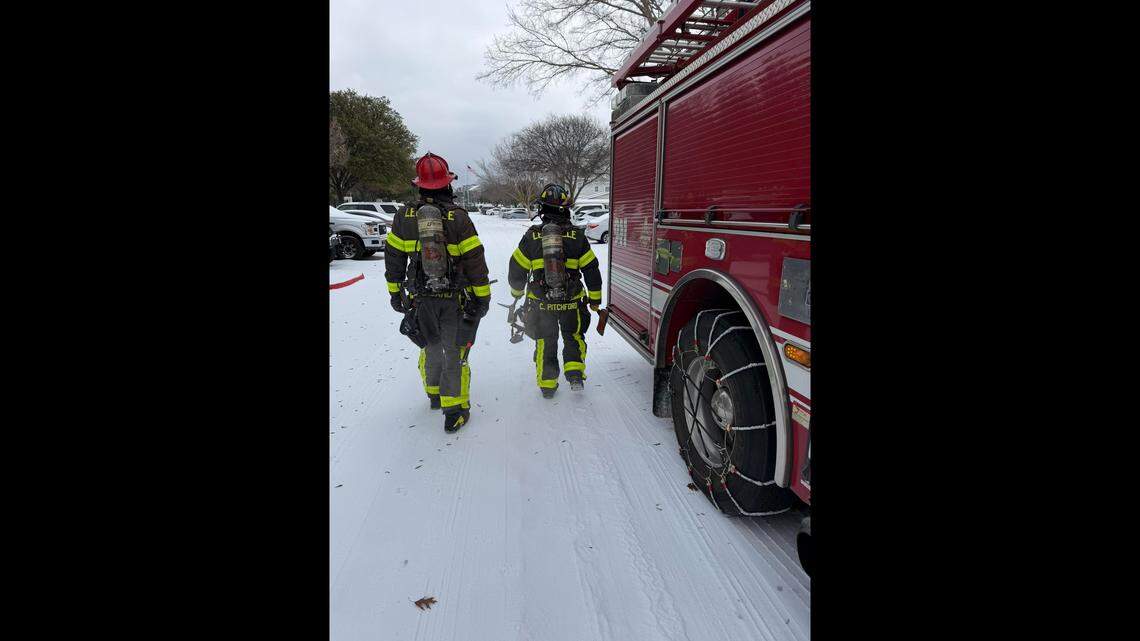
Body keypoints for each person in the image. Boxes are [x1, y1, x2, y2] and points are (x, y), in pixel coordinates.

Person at [385, 152, 491, 432]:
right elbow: (475, 262)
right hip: (454, 301)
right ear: (448, 184)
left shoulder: (403, 217)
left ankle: (434, 394)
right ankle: (453, 411)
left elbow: (394, 259)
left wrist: (395, 293)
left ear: (418, 185)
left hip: (421, 300)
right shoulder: (459, 218)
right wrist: (482, 297)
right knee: (454, 352)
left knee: (430, 346)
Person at [507, 184, 602, 398]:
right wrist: (595, 301)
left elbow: (516, 267)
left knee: (545, 340)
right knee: (574, 336)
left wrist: (516, 294)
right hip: (572, 302)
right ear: (565, 209)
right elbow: (591, 270)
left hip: (541, 305)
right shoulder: (577, 237)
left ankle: (548, 384)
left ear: (542, 209)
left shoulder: (532, 237)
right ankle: (575, 374)